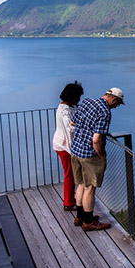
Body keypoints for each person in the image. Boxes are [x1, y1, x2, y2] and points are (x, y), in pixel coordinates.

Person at [70, 87, 125, 231]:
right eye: (117, 104)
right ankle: (88, 222)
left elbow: (73, 123)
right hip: (89, 155)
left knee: (81, 185)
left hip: (75, 150)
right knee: (90, 188)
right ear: (113, 99)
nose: (116, 107)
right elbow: (96, 139)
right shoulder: (104, 112)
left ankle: (80, 216)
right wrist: (101, 154)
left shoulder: (87, 102)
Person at [53, 81, 85, 211]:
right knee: (69, 174)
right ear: (72, 97)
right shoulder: (65, 110)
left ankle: (71, 199)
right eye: (78, 97)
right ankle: (68, 203)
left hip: (61, 144)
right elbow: (69, 127)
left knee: (70, 173)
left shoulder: (66, 107)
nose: (79, 100)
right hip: (64, 146)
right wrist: (82, 127)